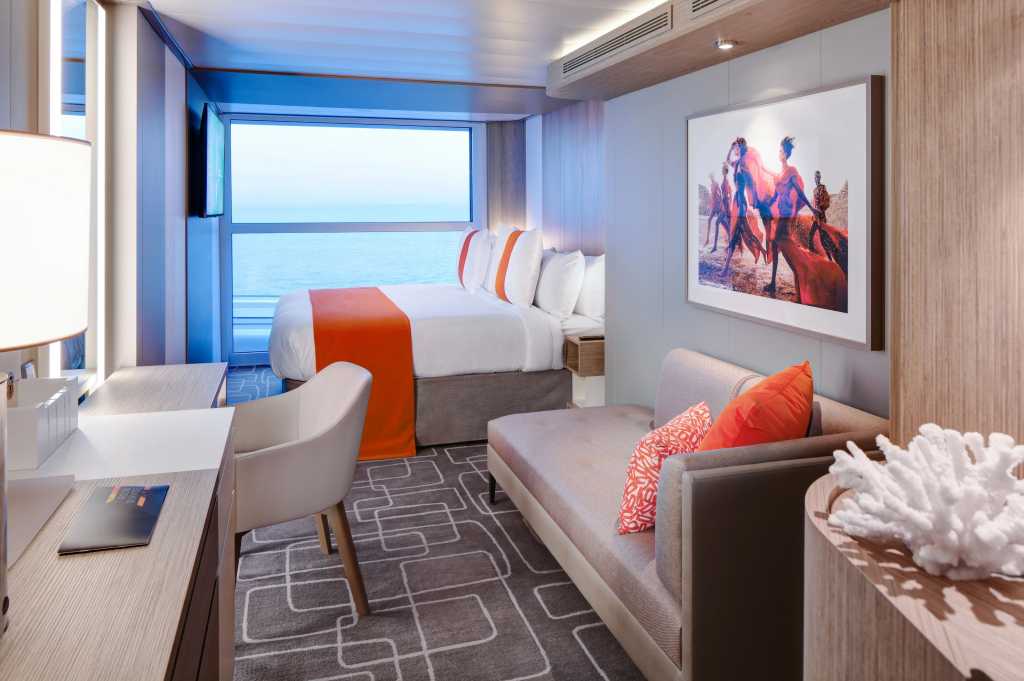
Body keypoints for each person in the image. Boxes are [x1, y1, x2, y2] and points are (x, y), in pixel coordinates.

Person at [761, 136, 822, 296]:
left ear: (786, 154)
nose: (779, 153)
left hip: (787, 214)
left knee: (784, 245)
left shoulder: (791, 171)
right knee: (776, 246)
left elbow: (799, 192)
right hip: (780, 213)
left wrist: (812, 208)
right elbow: (776, 195)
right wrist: (768, 203)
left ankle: (805, 275)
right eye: (779, 151)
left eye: (781, 151)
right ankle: (773, 282)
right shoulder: (780, 173)